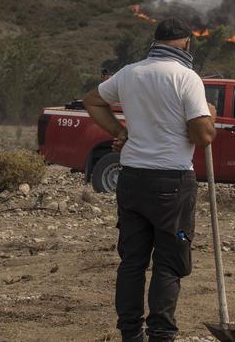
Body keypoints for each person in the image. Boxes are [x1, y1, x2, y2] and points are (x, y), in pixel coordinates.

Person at [82, 17, 217, 342]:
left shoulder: (129, 73)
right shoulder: (187, 78)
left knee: (132, 262)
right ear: (186, 43)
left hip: (132, 180)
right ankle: (161, 337)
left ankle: (131, 335)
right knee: (168, 265)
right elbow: (203, 137)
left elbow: (92, 101)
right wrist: (210, 115)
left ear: (155, 41)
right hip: (172, 182)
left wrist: (119, 132)